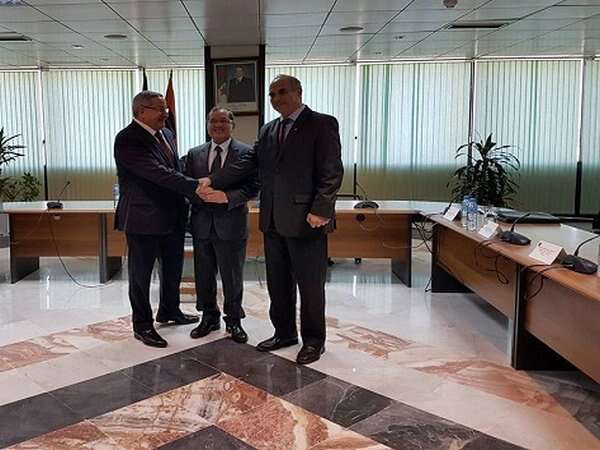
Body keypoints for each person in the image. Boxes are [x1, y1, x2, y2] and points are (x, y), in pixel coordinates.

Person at [200, 75, 344, 364]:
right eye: (272, 94)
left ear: (298, 92)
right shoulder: (269, 130)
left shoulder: (321, 123)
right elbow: (247, 163)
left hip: (307, 220)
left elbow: (332, 171)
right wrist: (213, 179)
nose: (276, 98)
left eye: (282, 92)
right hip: (273, 221)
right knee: (278, 283)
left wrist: (322, 209)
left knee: (310, 285)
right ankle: (284, 333)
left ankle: (314, 341)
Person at [114, 90, 202, 348]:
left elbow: (174, 167)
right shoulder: (128, 138)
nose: (166, 114)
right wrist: (195, 186)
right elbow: (156, 173)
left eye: (166, 109)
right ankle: (142, 324)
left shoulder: (167, 134)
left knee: (172, 268)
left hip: (172, 215)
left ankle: (169, 310)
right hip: (143, 218)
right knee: (141, 275)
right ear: (142, 111)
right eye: (160, 109)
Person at [185, 107, 259, 343]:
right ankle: (209, 317)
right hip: (202, 225)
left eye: (223, 121)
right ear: (207, 124)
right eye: (212, 121)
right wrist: (196, 195)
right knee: (204, 275)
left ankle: (234, 320)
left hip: (231, 223)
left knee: (232, 276)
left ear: (232, 124)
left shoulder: (247, 153)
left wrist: (227, 197)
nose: (217, 125)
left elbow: (254, 187)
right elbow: (187, 185)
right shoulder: (194, 153)